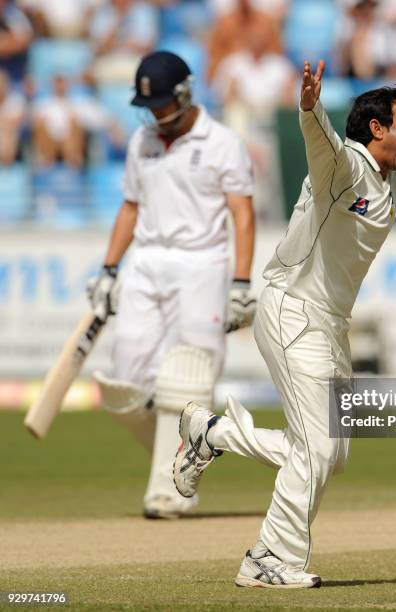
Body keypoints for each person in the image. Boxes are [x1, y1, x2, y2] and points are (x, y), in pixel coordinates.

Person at [173, 60, 396, 587]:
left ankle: (214, 433)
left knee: (330, 453)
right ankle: (268, 559)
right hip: (289, 309)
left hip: (328, 323)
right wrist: (308, 105)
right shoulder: (341, 166)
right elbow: (319, 136)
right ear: (378, 128)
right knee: (318, 450)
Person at [86, 50, 256, 520]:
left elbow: (242, 213)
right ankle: (189, 452)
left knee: (187, 378)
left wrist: (241, 282)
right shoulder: (143, 140)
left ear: (185, 93)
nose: (156, 113)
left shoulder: (221, 142)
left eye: (162, 103)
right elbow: (130, 207)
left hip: (202, 263)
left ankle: (168, 490)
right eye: (150, 105)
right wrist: (108, 269)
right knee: (124, 386)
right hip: (147, 262)